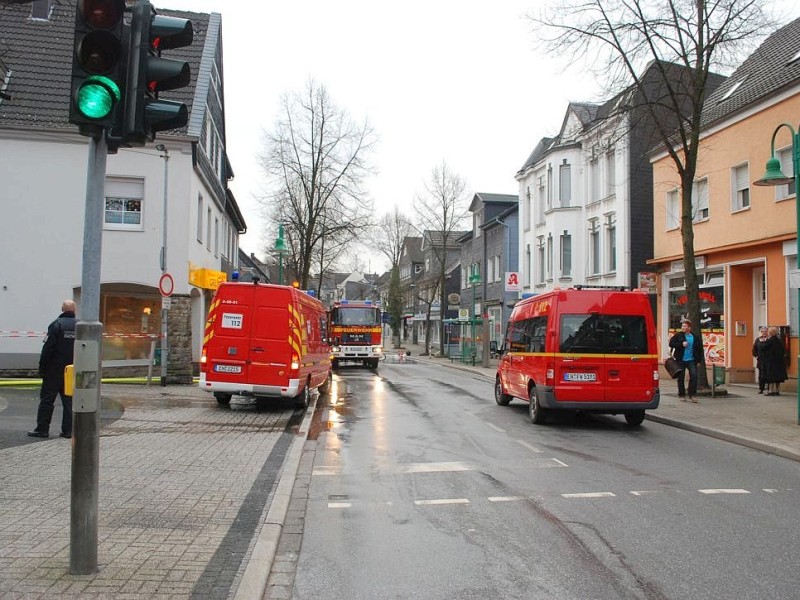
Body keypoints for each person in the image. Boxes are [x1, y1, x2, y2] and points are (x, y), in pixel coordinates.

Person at [28, 300, 77, 439]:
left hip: (54, 370)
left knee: (47, 400)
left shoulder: (57, 324)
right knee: (69, 401)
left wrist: (42, 367)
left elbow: (48, 348)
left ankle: (42, 429)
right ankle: (68, 431)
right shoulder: (80, 326)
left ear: (62, 309)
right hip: (71, 370)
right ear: (74, 310)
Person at [668, 319, 704, 402]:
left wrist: (699, 361)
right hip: (680, 360)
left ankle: (692, 395)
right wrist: (681, 344)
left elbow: (699, 349)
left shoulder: (695, 337)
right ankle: (682, 395)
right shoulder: (678, 335)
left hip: (692, 360)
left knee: (694, 376)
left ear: (689, 328)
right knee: (681, 377)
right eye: (682, 326)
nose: (683, 327)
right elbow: (671, 344)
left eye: (685, 326)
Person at [762, 326, 788, 396]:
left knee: (771, 377)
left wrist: (764, 341)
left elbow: (763, 348)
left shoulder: (769, 341)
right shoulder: (779, 341)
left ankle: (770, 391)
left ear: (770, 333)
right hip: (779, 362)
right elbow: (783, 351)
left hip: (771, 362)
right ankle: (777, 390)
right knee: (778, 378)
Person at [751, 326, 769, 394]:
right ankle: (761, 388)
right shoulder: (758, 340)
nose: (764, 333)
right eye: (762, 331)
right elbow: (754, 349)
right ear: (761, 332)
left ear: (767, 332)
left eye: (765, 331)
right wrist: (756, 356)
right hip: (761, 360)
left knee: (768, 374)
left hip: (768, 360)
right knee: (761, 375)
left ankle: (768, 388)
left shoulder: (769, 339)